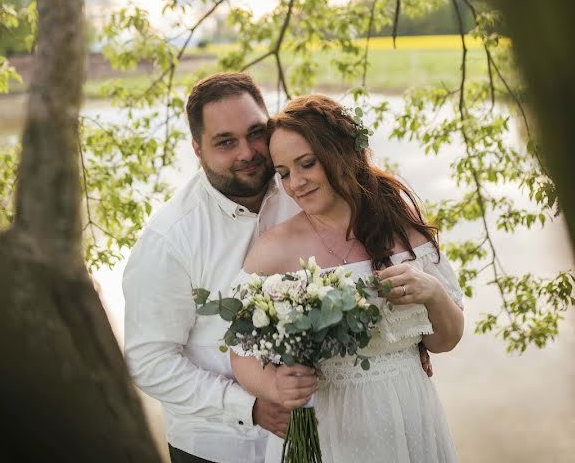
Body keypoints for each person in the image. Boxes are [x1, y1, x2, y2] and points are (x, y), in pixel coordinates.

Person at [231, 94, 464, 462]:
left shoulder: (402, 230)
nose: (296, 183)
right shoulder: (273, 250)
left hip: (409, 410)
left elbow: (444, 342)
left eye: (307, 164)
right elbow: (241, 353)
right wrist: (275, 385)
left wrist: (433, 293)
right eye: (284, 172)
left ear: (342, 153)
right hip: (328, 424)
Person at [123, 73, 300, 463]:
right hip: (218, 448)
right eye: (225, 142)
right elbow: (149, 361)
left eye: (256, 133)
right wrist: (247, 407)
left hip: (315, 437)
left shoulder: (305, 193)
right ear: (197, 149)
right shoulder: (169, 239)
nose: (248, 152)